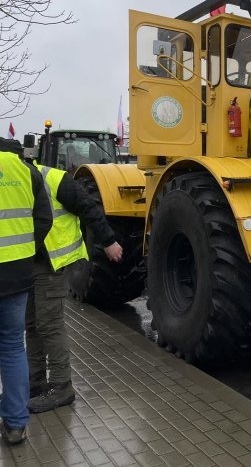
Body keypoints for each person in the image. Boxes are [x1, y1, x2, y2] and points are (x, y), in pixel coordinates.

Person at [25, 163, 123, 413]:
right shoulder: (14, 179)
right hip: (27, 262)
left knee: (49, 324)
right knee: (32, 324)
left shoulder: (55, 179)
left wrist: (108, 241)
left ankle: (61, 387)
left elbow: (88, 207)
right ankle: (35, 383)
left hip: (52, 263)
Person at [0, 138, 52, 445]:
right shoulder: (26, 170)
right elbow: (44, 219)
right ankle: (16, 424)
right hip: (17, 275)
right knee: (12, 347)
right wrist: (25, 252)